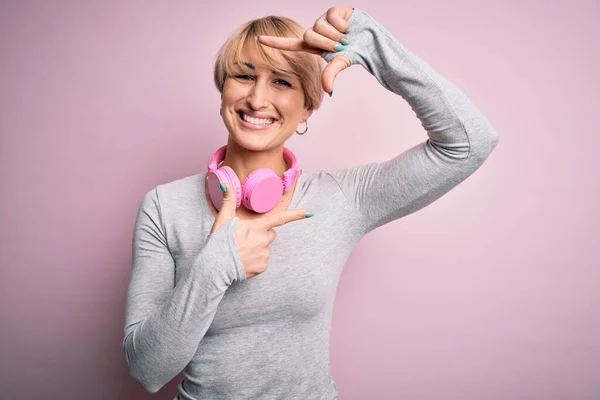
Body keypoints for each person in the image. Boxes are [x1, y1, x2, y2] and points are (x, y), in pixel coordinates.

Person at [122, 5, 499, 400]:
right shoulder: (164, 207)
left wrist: (377, 49)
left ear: (308, 107)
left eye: (283, 82)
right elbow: (147, 369)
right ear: (222, 91)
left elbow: (469, 143)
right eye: (244, 76)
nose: (257, 98)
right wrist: (215, 265)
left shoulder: (341, 199)